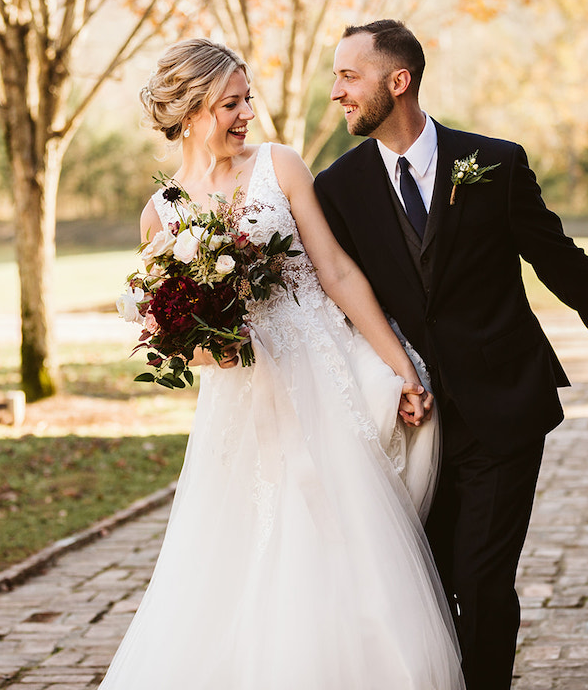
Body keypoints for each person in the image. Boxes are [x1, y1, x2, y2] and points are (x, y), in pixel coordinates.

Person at [98, 38, 464, 689]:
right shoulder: (164, 213)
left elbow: (339, 272)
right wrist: (209, 342)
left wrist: (401, 365)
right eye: (230, 104)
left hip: (324, 372)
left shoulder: (280, 164)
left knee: (347, 533)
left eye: (247, 100)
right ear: (190, 111)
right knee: (249, 548)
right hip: (242, 396)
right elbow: (180, 332)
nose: (246, 117)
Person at [314, 19, 588, 690]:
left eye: (349, 76)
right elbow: (338, 300)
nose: (336, 94)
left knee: (483, 581)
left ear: (398, 81)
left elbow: (556, 256)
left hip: (505, 404)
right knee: (430, 580)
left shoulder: (493, 164)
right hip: (413, 419)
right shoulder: (338, 187)